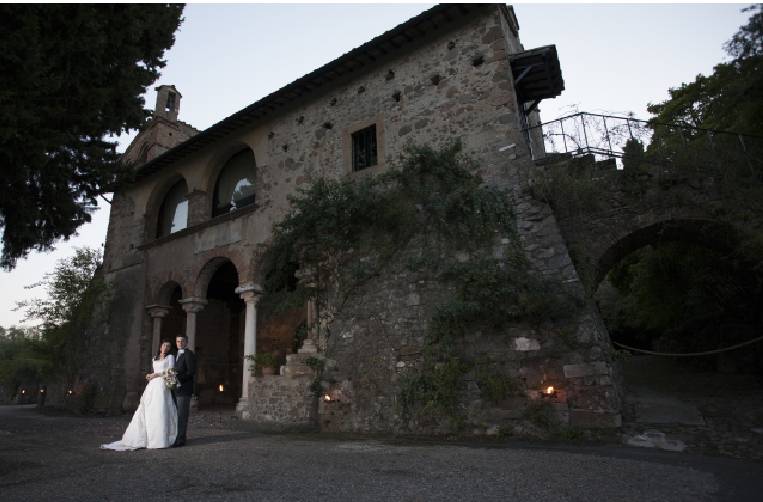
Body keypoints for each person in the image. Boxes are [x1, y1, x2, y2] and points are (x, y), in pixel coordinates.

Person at [101, 341, 178, 451]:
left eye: (168, 346)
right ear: (160, 347)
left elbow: (170, 372)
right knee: (149, 410)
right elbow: (154, 371)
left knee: (160, 410)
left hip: (162, 385)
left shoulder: (170, 357)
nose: (166, 348)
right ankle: (147, 438)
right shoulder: (154, 357)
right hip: (152, 385)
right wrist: (149, 375)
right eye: (164, 345)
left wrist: (156, 374)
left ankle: (159, 439)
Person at [173, 334, 196, 447]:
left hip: (184, 389)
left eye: (182, 341)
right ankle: (175, 437)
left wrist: (177, 378)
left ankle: (181, 440)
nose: (180, 343)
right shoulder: (175, 354)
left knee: (182, 415)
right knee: (175, 415)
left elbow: (191, 372)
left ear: (186, 342)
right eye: (178, 341)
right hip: (175, 389)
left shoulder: (189, 354)